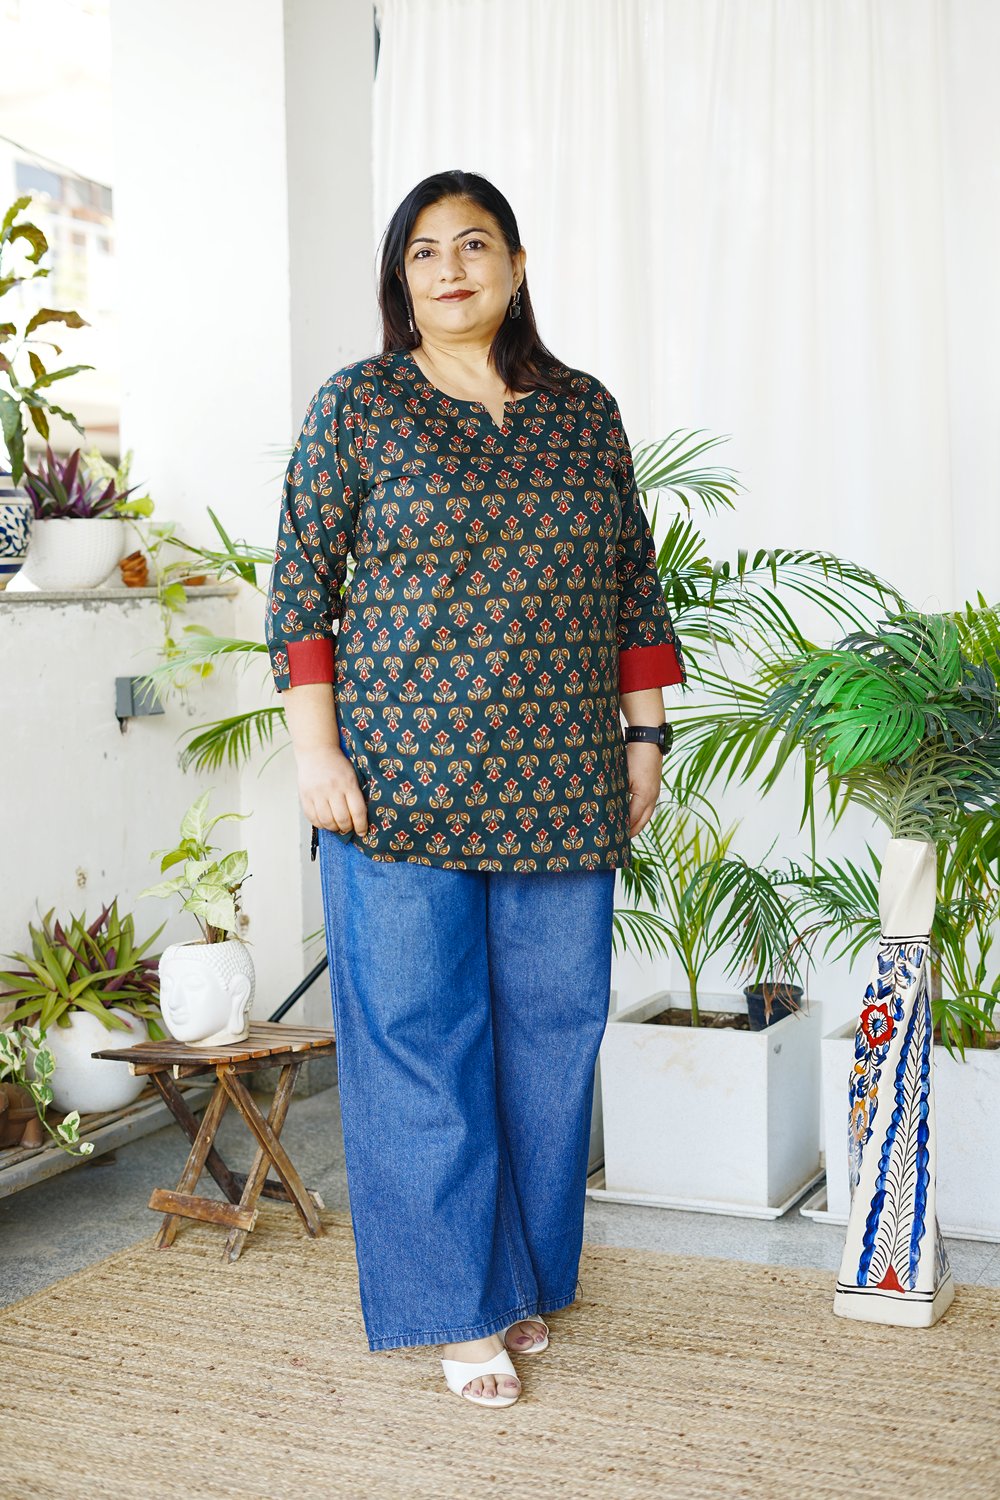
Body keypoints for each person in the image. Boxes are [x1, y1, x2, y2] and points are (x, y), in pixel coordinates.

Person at [264, 169, 686, 1409]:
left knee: (551, 1038)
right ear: (401, 279)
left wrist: (646, 737)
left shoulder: (583, 409)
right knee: (418, 1045)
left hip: (562, 780)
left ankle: (521, 1278)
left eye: (474, 244)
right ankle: (457, 1306)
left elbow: (632, 582)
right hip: (397, 784)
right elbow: (301, 590)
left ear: (514, 264)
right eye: (424, 251)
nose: (450, 269)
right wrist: (315, 753)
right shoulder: (359, 406)